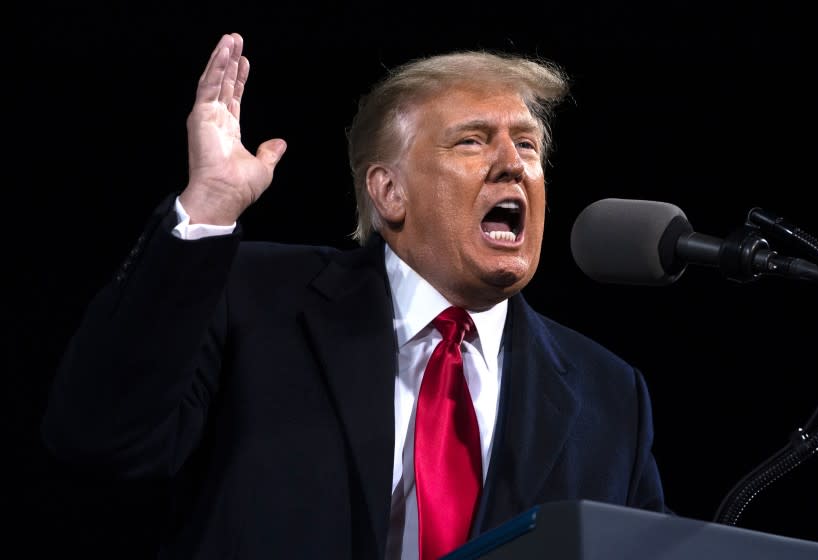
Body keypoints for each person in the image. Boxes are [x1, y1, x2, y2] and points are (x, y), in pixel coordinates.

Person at [42, 32, 667, 559]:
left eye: (527, 145)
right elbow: (99, 438)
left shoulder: (609, 394)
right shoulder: (253, 301)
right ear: (388, 193)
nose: (513, 166)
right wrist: (206, 206)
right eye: (473, 141)